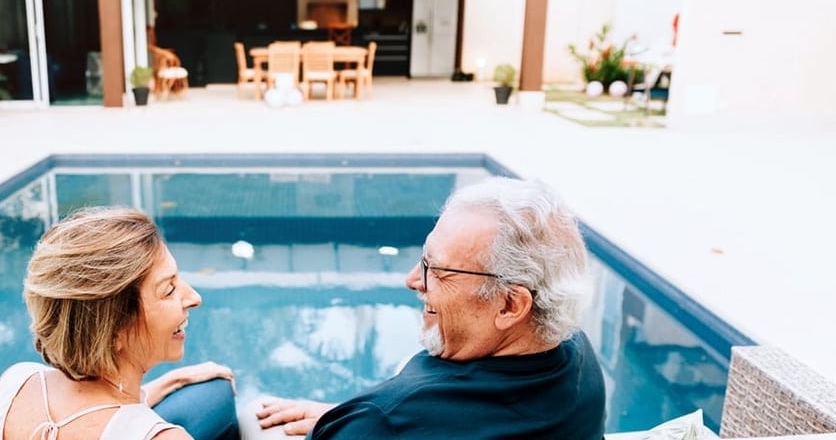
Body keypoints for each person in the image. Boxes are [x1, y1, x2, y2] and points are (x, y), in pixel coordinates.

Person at [248, 177, 606, 440]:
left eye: (436, 269)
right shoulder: (580, 363)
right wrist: (348, 418)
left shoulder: (389, 422)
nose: (413, 280)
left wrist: (367, 423)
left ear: (511, 304)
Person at [0, 206, 241, 440]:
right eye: (169, 290)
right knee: (215, 399)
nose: (194, 298)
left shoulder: (17, 384)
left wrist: (172, 381)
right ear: (113, 330)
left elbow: (102, 418)